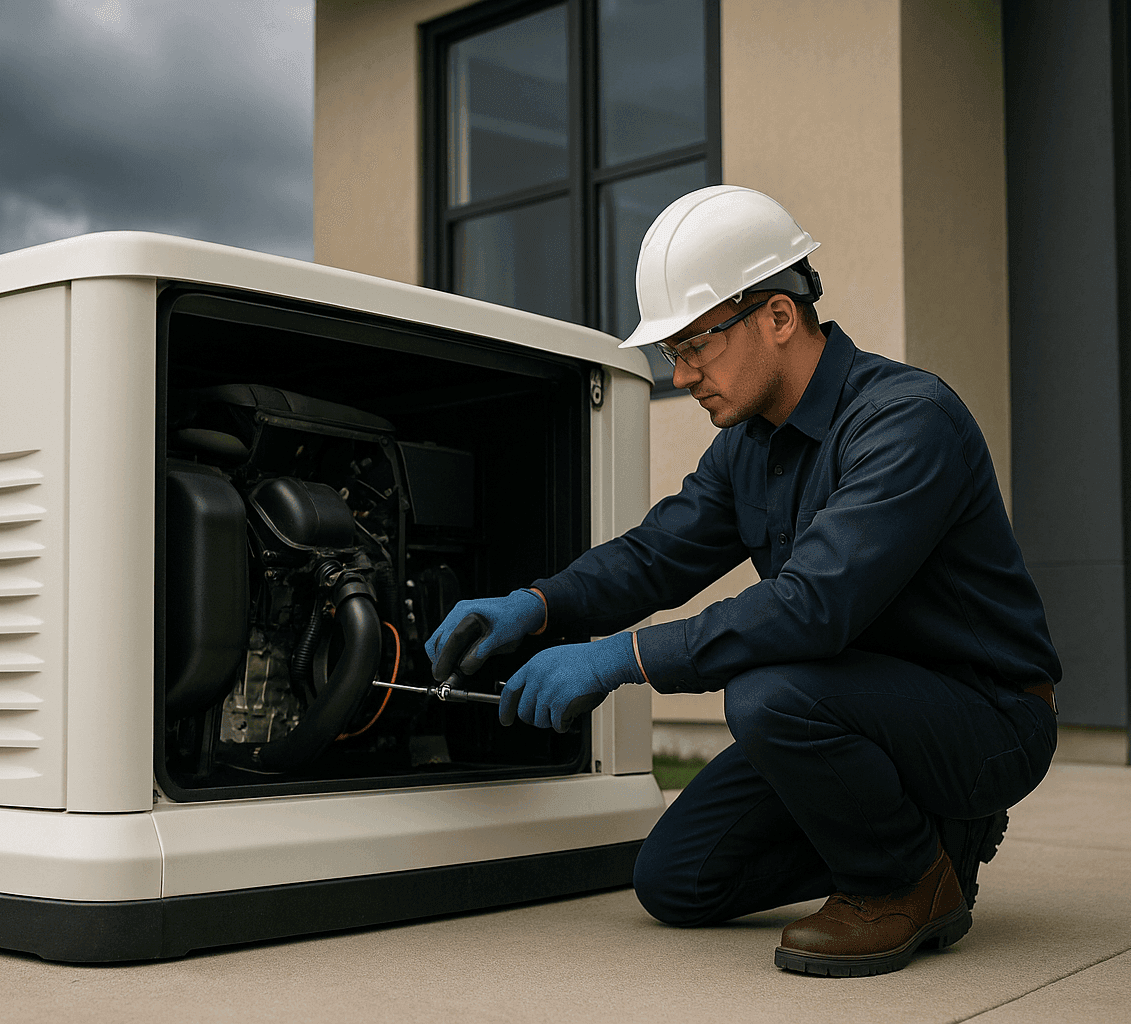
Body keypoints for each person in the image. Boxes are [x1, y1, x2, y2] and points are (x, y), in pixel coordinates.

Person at [425, 185, 1061, 977]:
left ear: (778, 316)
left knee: (768, 694)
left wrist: (618, 658)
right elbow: (658, 554)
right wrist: (539, 604)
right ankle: (926, 833)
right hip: (848, 711)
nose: (682, 374)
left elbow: (812, 608)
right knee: (677, 882)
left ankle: (903, 882)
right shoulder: (749, 446)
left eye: (695, 345)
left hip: (984, 717)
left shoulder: (908, 420)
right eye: (672, 353)